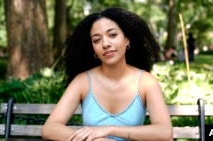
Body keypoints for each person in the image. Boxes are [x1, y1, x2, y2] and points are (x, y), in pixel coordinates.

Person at [42, 7, 173, 141]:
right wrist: (95, 140)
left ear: (127, 39)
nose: (105, 44)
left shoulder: (146, 82)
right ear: (93, 48)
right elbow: (50, 128)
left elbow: (164, 131)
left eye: (112, 35)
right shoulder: (83, 81)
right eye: (97, 40)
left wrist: (109, 129)